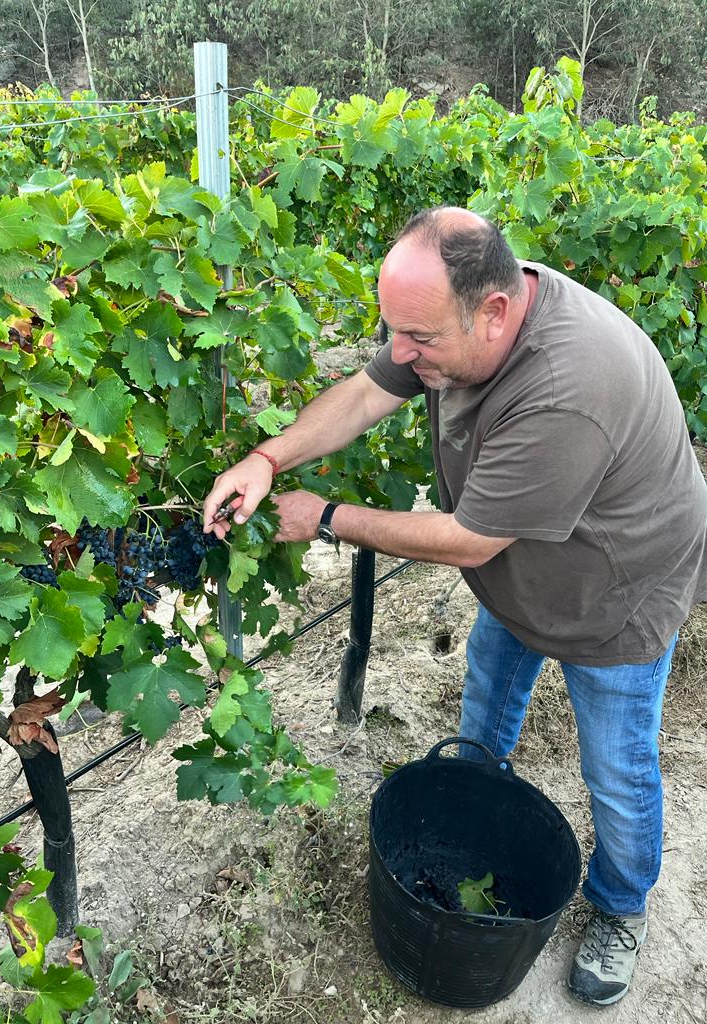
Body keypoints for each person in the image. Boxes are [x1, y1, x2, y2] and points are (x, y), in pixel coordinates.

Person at [203, 206, 707, 1007]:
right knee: (488, 697)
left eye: (419, 340)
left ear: (495, 312)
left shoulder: (569, 389)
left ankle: (620, 906)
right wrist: (268, 459)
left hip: (616, 588)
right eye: (394, 331)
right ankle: (475, 796)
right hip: (528, 565)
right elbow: (368, 393)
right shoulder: (455, 317)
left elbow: (471, 539)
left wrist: (326, 517)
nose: (401, 354)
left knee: (616, 769)